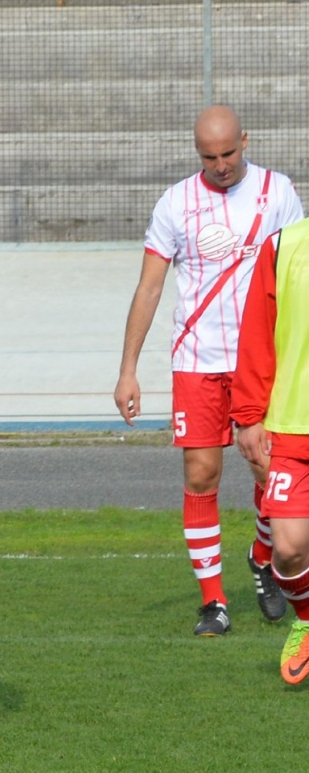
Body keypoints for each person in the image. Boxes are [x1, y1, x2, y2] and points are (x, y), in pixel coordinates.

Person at [115, 105, 302, 636]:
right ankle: (213, 603)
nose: (221, 165)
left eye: (229, 153)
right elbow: (150, 286)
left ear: (245, 140)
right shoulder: (176, 203)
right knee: (201, 475)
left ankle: (263, 556)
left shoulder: (278, 193)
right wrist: (128, 370)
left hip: (264, 363)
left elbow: (295, 272)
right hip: (197, 360)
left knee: (271, 472)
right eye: (209, 157)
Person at [231, 213, 309, 681]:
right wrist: (248, 417)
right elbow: (258, 333)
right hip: (291, 426)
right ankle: (307, 619)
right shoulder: (283, 245)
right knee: (288, 549)